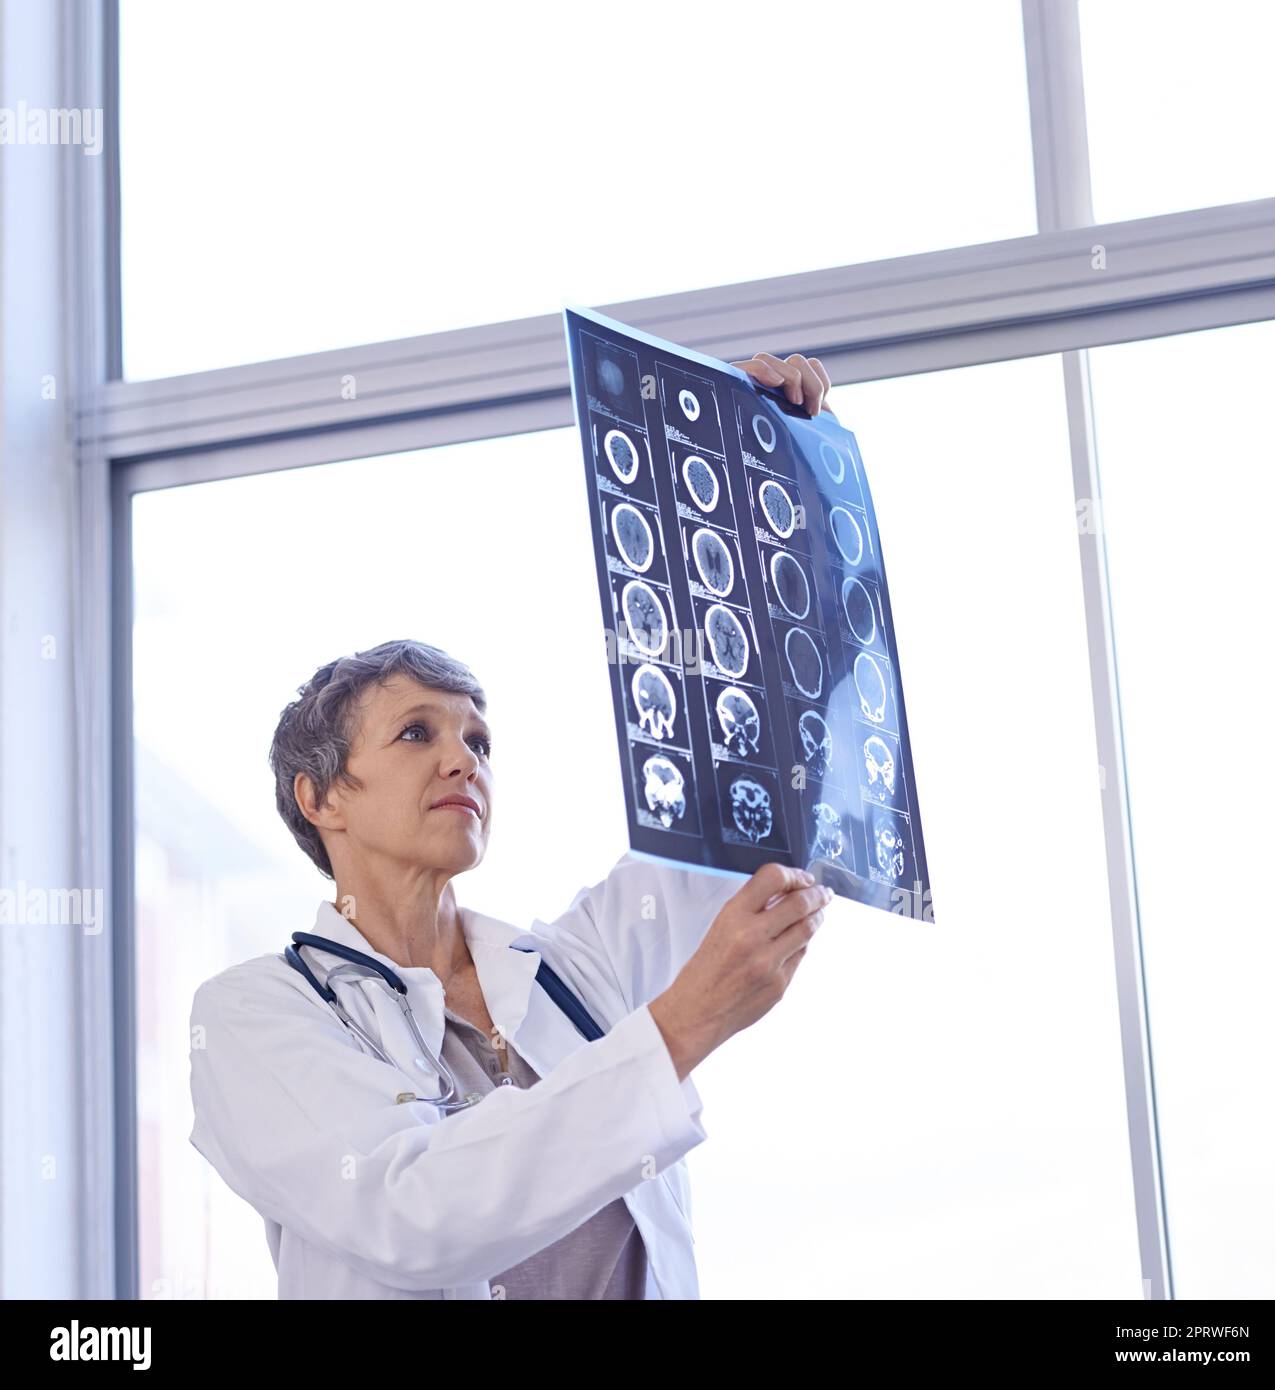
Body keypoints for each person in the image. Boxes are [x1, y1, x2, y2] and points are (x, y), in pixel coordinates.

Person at [188, 352, 835, 1300]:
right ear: (317, 796)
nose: (464, 761)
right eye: (418, 734)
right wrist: (682, 1026)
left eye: (479, 739)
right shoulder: (256, 1017)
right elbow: (412, 1215)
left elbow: (754, 792)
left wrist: (754, 484)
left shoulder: (578, 970)